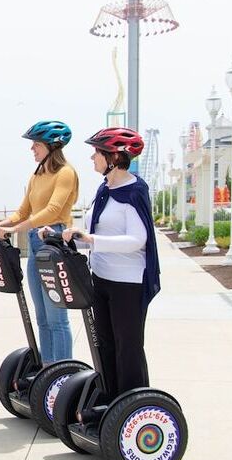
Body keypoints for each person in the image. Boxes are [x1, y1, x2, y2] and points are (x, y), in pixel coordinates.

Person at [49, 127, 159, 398]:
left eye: (96, 152)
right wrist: (64, 237)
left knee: (128, 347)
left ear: (114, 157)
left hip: (128, 283)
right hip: (101, 278)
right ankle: (111, 401)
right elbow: (94, 237)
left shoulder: (133, 190)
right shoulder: (105, 190)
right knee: (105, 345)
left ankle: (134, 404)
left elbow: (138, 239)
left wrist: (93, 239)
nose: (92, 158)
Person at [0, 120, 79, 363]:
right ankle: (48, 372)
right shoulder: (36, 175)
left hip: (54, 241)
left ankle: (63, 374)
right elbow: (22, 211)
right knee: (41, 317)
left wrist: (17, 228)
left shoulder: (66, 173)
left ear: (52, 146)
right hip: (35, 242)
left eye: (36, 144)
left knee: (57, 318)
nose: (32, 149)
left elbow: (53, 210)